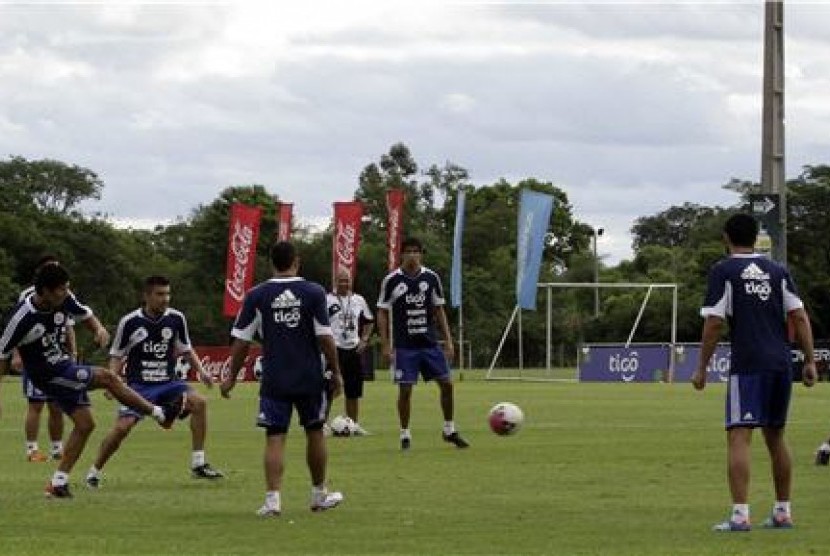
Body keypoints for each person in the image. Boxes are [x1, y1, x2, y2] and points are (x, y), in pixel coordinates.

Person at [0, 264, 178, 498]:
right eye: (60, 290)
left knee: (85, 425)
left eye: (67, 288)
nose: (65, 294)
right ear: (43, 291)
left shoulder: (64, 298)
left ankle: (57, 484)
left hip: (64, 365)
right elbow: (2, 355)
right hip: (48, 375)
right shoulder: (21, 319)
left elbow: (86, 314)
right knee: (107, 377)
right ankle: (160, 414)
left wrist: (99, 328)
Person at [691, 213, 817, 532]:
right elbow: (799, 316)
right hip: (780, 364)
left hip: (748, 363)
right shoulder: (778, 271)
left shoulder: (724, 271)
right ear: (756, 237)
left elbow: (714, 323)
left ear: (726, 238)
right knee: (776, 435)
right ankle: (782, 512)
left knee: (738, 435)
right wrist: (810, 361)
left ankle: (739, 515)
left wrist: (701, 367)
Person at [221, 241, 344, 516]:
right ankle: (317, 495)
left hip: (275, 377)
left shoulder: (256, 295)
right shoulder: (314, 292)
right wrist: (336, 372)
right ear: (297, 261)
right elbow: (325, 336)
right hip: (309, 376)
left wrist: (231, 377)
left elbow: (241, 341)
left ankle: (273, 501)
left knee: (275, 436)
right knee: (315, 432)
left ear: (271, 263)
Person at [85, 276, 224, 488]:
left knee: (200, 403)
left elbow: (185, 347)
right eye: (160, 294)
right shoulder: (130, 322)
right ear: (147, 296)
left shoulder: (176, 318)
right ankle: (93, 473)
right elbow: (117, 354)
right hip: (138, 386)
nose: (165, 299)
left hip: (168, 382)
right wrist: (111, 383)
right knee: (122, 428)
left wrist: (202, 371)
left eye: (168, 294)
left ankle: (198, 464)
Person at [376, 236, 469, 451]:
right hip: (405, 347)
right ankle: (405, 434)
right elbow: (382, 312)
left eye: (416, 251)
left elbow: (439, 310)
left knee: (447, 384)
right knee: (406, 390)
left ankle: (449, 430)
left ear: (421, 254)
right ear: (401, 255)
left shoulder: (431, 277)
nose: (412, 255)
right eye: (408, 251)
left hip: (429, 344)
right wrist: (385, 344)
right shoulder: (392, 280)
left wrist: (448, 341)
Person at [18, 255, 69, 462]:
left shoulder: (64, 295)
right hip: (35, 358)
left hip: (57, 357)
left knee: (57, 404)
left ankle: (57, 448)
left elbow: (68, 325)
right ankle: (32, 449)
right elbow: (17, 326)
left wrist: (72, 352)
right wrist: (16, 355)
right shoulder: (27, 296)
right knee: (36, 404)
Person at [325, 268, 374, 435]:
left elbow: (369, 321)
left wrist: (364, 339)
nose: (344, 284)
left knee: (353, 390)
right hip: (334, 349)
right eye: (341, 280)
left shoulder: (358, 300)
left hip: (353, 350)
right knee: (329, 387)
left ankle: (353, 424)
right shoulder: (326, 300)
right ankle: (322, 424)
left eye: (347, 280)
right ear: (335, 281)